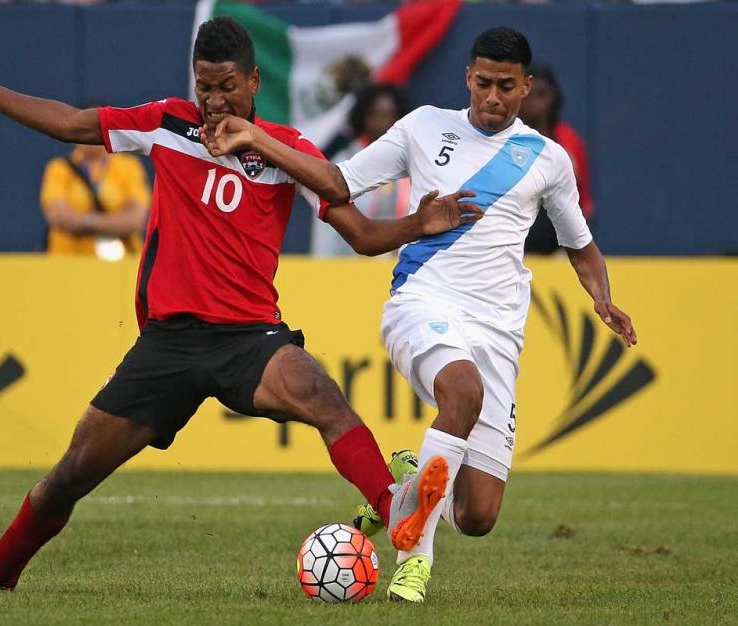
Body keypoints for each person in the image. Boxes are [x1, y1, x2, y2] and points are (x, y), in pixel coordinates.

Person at [0, 17, 484, 593]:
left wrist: (417, 222)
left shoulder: (287, 150)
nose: (212, 101)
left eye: (226, 86)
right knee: (69, 476)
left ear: (254, 81)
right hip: (169, 343)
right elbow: (72, 124)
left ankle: (397, 515)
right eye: (204, 87)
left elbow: (357, 230)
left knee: (323, 398)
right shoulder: (167, 124)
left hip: (250, 338)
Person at [201, 26, 637, 603]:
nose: (492, 97)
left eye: (506, 86)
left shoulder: (548, 160)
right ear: (468, 78)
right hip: (422, 300)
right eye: (483, 82)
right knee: (461, 390)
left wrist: (602, 298)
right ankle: (415, 554)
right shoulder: (423, 126)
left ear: (526, 88)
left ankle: (409, 481)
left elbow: (579, 247)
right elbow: (338, 182)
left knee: (478, 514)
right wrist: (258, 138)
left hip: (498, 330)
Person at [313, 84, 411, 257]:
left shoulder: (412, 163)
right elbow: (326, 229)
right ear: (362, 117)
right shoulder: (343, 164)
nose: (382, 122)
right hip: (351, 271)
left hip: (402, 268)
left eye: (389, 115)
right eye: (375, 114)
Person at [40, 128, 150, 260]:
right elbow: (58, 216)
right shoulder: (59, 168)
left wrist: (86, 221)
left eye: (95, 132)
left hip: (121, 265)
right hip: (68, 261)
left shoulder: (129, 166)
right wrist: (115, 223)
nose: (89, 138)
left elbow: (135, 220)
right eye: (84, 131)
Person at [518, 63, 594, 254]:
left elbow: (582, 201)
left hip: (558, 250)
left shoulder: (569, 140)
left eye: (542, 93)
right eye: (529, 93)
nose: (535, 100)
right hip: (514, 247)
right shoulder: (507, 138)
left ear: (554, 96)